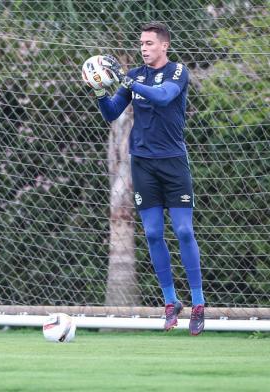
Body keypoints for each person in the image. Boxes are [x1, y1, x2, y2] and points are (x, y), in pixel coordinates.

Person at [94, 22, 205, 335]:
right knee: (154, 234)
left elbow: (163, 97)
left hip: (173, 164)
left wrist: (126, 80)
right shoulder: (136, 77)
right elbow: (112, 112)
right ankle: (171, 303)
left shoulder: (177, 72)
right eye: (141, 43)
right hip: (142, 164)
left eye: (149, 43)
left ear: (164, 45)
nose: (144, 48)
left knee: (183, 230)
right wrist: (101, 89)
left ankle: (198, 303)